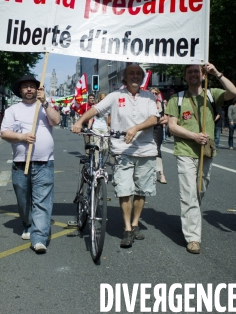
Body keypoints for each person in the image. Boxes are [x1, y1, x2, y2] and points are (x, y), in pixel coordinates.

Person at [72, 65, 163, 248]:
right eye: (132, 73)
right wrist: (80, 121)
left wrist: (136, 128)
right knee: (124, 190)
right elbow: (96, 109)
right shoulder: (115, 96)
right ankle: (127, 229)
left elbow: (155, 119)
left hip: (146, 150)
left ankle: (136, 223)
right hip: (122, 150)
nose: (135, 76)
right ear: (125, 78)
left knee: (141, 191)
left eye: (138, 74)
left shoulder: (149, 97)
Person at [166, 64, 236, 254]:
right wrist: (194, 136)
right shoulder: (177, 99)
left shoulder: (211, 94)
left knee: (200, 190)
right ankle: (193, 237)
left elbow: (233, 92)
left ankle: (192, 219)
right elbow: (172, 127)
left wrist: (217, 73)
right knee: (189, 193)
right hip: (185, 151)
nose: (193, 74)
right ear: (185, 76)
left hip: (206, 152)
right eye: (189, 71)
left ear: (203, 74)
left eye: (197, 71)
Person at [0, 75, 61, 253]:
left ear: (38, 90)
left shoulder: (44, 107)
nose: (29, 89)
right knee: (23, 199)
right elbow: (4, 133)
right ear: (20, 91)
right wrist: (22, 137)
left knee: (41, 200)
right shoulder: (12, 110)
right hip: (20, 163)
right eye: (25, 87)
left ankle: (39, 237)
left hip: (44, 162)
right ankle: (28, 223)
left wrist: (46, 103)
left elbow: (56, 121)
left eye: (32, 87)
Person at [150, 88, 168, 184]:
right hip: (148, 129)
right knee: (149, 150)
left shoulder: (161, 105)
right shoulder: (146, 104)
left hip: (158, 130)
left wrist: (157, 121)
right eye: (152, 93)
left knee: (157, 149)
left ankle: (161, 174)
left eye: (155, 93)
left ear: (158, 94)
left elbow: (166, 119)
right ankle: (152, 173)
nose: (153, 94)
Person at [87, 93, 111, 166]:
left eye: (104, 99)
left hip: (104, 129)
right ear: (99, 99)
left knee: (105, 147)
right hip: (96, 128)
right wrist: (88, 129)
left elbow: (107, 119)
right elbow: (91, 119)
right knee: (97, 147)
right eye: (101, 99)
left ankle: (100, 159)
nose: (103, 101)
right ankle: (97, 164)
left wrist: (109, 127)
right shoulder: (95, 107)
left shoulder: (107, 108)